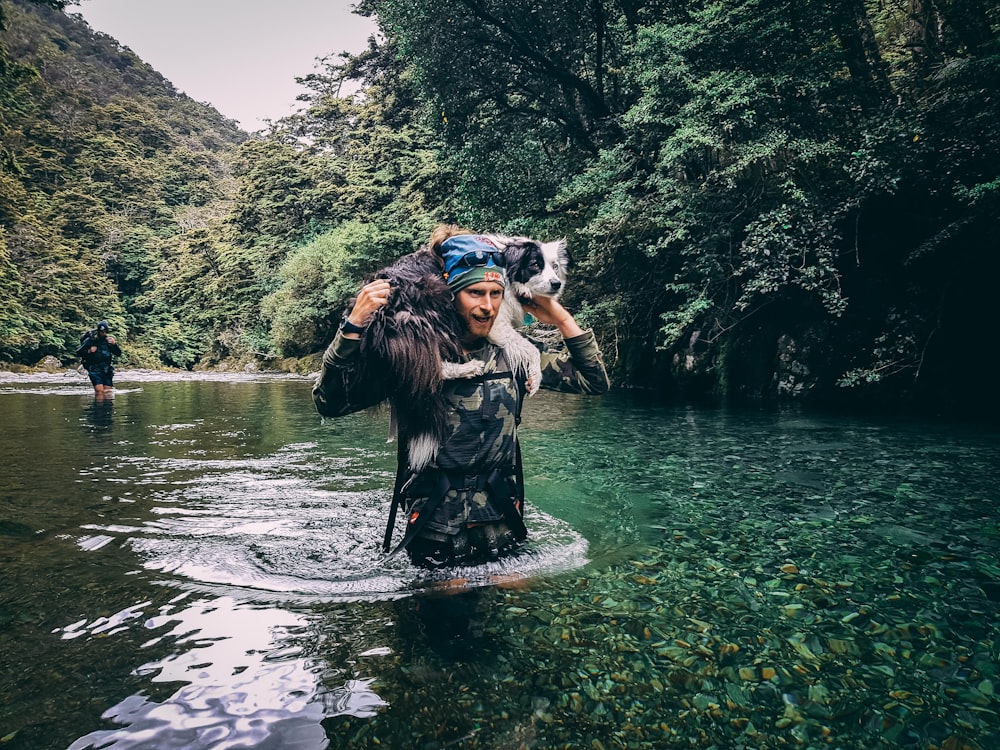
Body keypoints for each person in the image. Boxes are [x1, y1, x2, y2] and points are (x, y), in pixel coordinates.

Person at [312, 226, 610, 567]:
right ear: (450, 296)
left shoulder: (512, 352)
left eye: (495, 294)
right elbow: (330, 404)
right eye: (475, 293)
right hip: (435, 523)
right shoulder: (412, 356)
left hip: (502, 516)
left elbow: (593, 382)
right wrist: (351, 329)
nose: (487, 306)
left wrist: (559, 315)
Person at [75, 320, 122, 398]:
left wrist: (114, 344)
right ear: (98, 331)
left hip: (107, 369)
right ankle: (98, 409)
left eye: (105, 332)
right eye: (102, 332)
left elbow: (118, 353)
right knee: (100, 392)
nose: (103, 333)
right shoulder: (90, 340)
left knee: (108, 393)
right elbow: (78, 352)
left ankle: (106, 410)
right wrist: (89, 351)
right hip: (95, 369)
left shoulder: (108, 341)